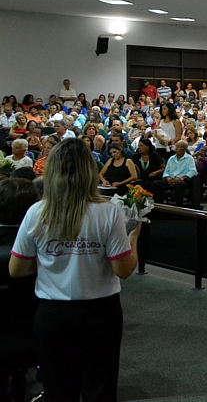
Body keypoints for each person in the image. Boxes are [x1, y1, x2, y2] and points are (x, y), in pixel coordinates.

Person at [9, 138, 141, 400]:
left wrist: (53, 258)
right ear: (90, 171)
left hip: (52, 314)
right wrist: (134, 238)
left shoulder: (36, 212)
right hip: (100, 314)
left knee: (58, 391)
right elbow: (123, 270)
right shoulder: (108, 212)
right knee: (99, 390)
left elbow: (17, 269)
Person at [150, 140, 197, 206]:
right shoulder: (171, 158)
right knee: (155, 184)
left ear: (184, 149)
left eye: (179, 147)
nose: (176, 148)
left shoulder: (189, 158)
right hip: (171, 180)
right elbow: (166, 172)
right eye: (176, 146)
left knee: (179, 185)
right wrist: (168, 179)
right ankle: (160, 206)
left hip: (183, 180)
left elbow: (192, 171)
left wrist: (180, 179)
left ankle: (178, 207)